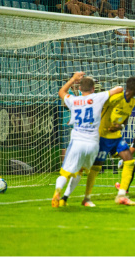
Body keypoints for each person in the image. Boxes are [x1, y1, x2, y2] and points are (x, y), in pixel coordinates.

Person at [59, 77, 135, 207]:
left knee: (129, 160)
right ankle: (86, 198)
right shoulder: (116, 98)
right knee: (96, 168)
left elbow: (125, 119)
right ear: (134, 88)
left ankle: (121, 195)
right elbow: (98, 107)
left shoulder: (132, 102)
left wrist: (120, 126)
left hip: (116, 137)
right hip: (102, 136)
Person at [52, 72, 123, 207]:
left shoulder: (73, 100)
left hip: (77, 141)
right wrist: (110, 91)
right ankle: (64, 198)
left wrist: (73, 79)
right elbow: (119, 89)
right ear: (93, 88)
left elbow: (61, 91)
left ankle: (58, 191)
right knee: (79, 172)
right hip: (92, 144)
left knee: (66, 172)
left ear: (79, 89)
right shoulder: (98, 97)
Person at [60, 75, 81, 164]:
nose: (77, 82)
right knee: (66, 145)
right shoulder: (67, 91)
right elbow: (64, 104)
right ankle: (64, 165)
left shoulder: (80, 92)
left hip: (77, 123)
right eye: (75, 80)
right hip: (67, 121)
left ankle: (75, 165)